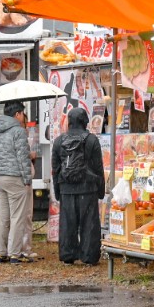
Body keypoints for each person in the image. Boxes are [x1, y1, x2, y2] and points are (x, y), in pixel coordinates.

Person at [52, 106, 105, 266]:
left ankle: (68, 255)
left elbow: (56, 169)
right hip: (88, 188)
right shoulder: (91, 140)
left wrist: (58, 191)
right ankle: (89, 256)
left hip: (67, 189)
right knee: (89, 224)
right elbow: (98, 167)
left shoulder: (59, 141)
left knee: (68, 223)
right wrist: (101, 191)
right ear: (85, 122)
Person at [0, 102, 34, 263]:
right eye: (22, 113)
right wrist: (27, 179)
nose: (23, 116)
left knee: (3, 217)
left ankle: (1, 253)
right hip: (16, 178)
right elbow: (23, 158)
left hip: (0, 178)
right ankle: (15, 253)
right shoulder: (18, 132)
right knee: (17, 217)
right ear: (17, 114)